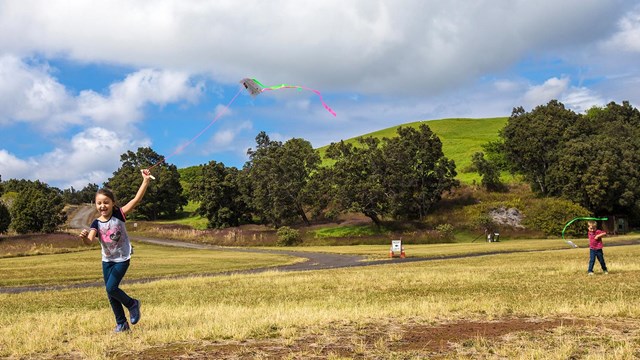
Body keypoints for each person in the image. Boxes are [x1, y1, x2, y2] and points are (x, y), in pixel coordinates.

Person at [79, 169, 152, 332]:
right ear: (95, 205)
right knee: (110, 292)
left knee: (111, 288)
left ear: (112, 203)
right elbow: (89, 241)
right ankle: (122, 324)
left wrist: (145, 181)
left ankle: (132, 303)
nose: (102, 206)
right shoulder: (96, 223)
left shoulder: (119, 214)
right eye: (99, 203)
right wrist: (84, 237)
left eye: (106, 202)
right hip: (107, 260)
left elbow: (136, 199)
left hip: (122, 258)